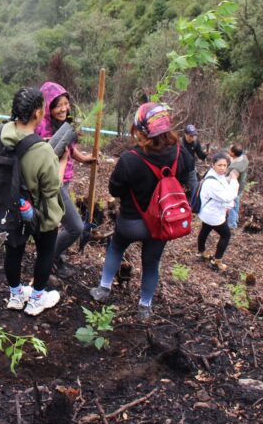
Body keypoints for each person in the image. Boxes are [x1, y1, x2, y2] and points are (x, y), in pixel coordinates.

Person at [89, 102, 186, 321]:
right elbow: (189, 181)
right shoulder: (180, 153)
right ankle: (144, 307)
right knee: (151, 262)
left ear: (141, 131)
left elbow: (114, 189)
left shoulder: (130, 158)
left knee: (116, 246)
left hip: (131, 222)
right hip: (162, 223)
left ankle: (103, 289)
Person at [0, 87, 65, 317]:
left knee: (13, 249)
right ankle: (37, 298)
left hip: (6, 207)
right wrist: (61, 161)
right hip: (37, 210)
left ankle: (16, 295)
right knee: (46, 250)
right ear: (38, 113)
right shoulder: (43, 150)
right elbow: (52, 188)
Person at [35, 82, 96, 278]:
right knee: (75, 227)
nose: (63, 109)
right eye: (58, 105)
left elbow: (68, 149)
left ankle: (54, 260)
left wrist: (84, 158)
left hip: (64, 180)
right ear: (48, 105)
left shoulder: (64, 123)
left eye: (66, 103)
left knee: (55, 224)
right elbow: (45, 160)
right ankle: (48, 258)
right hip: (53, 184)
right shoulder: (42, 128)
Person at [196, 151, 239, 271]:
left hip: (208, 212)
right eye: (219, 165)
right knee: (226, 235)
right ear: (213, 165)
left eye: (225, 165)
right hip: (213, 214)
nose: (222, 168)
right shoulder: (211, 182)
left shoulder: (216, 176)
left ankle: (201, 252)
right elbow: (228, 196)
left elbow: (224, 191)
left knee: (205, 229)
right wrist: (235, 180)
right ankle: (216, 262)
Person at [181, 124, 208, 198]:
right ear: (185, 134)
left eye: (194, 136)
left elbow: (200, 155)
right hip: (180, 170)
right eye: (190, 136)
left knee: (195, 190)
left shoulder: (195, 142)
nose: (192, 138)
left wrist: (205, 154)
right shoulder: (179, 143)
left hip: (191, 169)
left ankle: (194, 206)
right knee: (179, 190)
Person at [227, 144, 249, 229]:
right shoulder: (244, 158)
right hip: (241, 186)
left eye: (230, 150)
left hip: (235, 188)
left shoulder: (235, 168)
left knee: (232, 205)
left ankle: (232, 224)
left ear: (233, 153)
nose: (228, 151)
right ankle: (235, 220)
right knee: (236, 204)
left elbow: (229, 179)